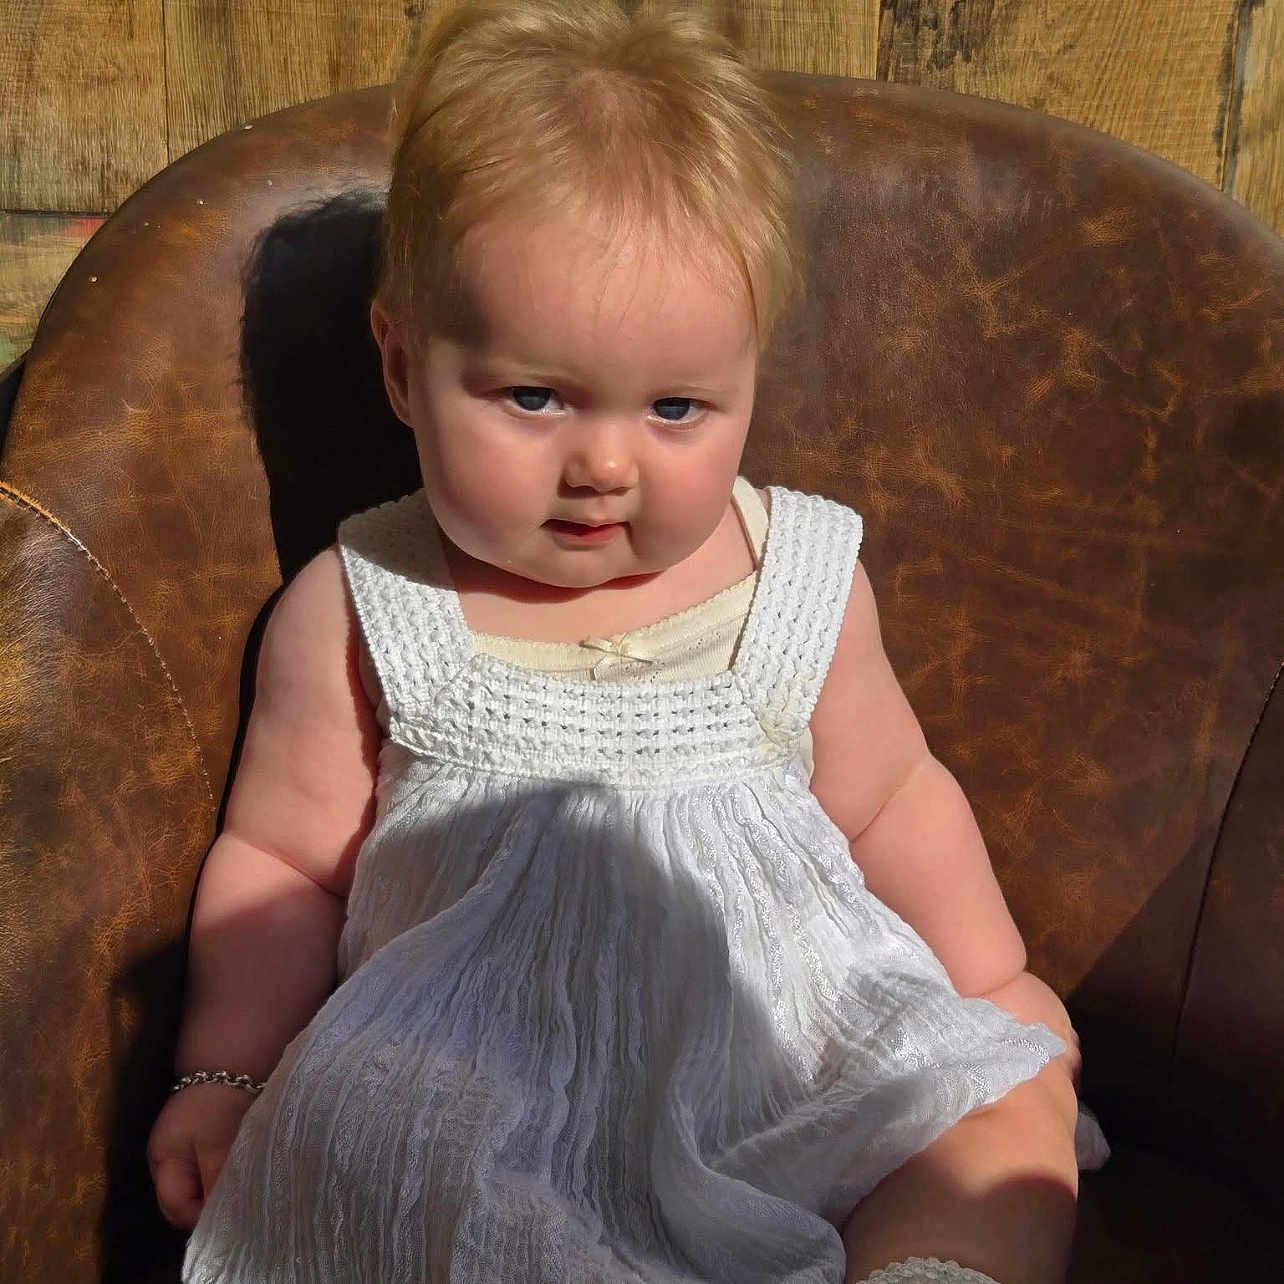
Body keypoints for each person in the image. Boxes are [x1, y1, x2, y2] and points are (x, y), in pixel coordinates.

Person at [147, 2, 1104, 1281]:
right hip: (480, 1087)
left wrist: (995, 984)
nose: (603, 464)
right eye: (532, 397)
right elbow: (281, 866)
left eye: (676, 407)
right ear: (400, 366)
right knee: (393, 1172)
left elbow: (893, 801)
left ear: (751, 375)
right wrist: (228, 1069)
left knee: (1000, 1116)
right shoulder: (364, 603)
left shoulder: (796, 581)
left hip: (786, 1052)